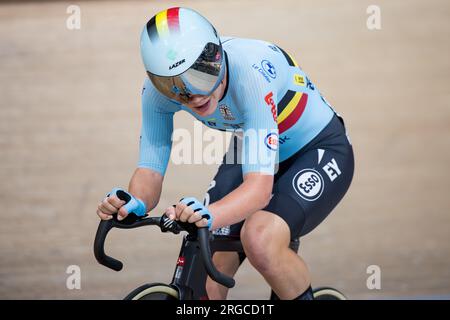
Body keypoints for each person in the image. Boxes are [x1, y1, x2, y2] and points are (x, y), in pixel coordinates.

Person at [96, 7, 354, 300]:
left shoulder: (251, 75)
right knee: (207, 264)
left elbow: (258, 190)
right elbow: (150, 167)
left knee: (259, 239)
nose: (193, 95)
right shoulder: (158, 94)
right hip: (254, 146)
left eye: (200, 74)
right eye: (174, 86)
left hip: (317, 149)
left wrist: (209, 214)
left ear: (215, 56)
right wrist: (136, 202)